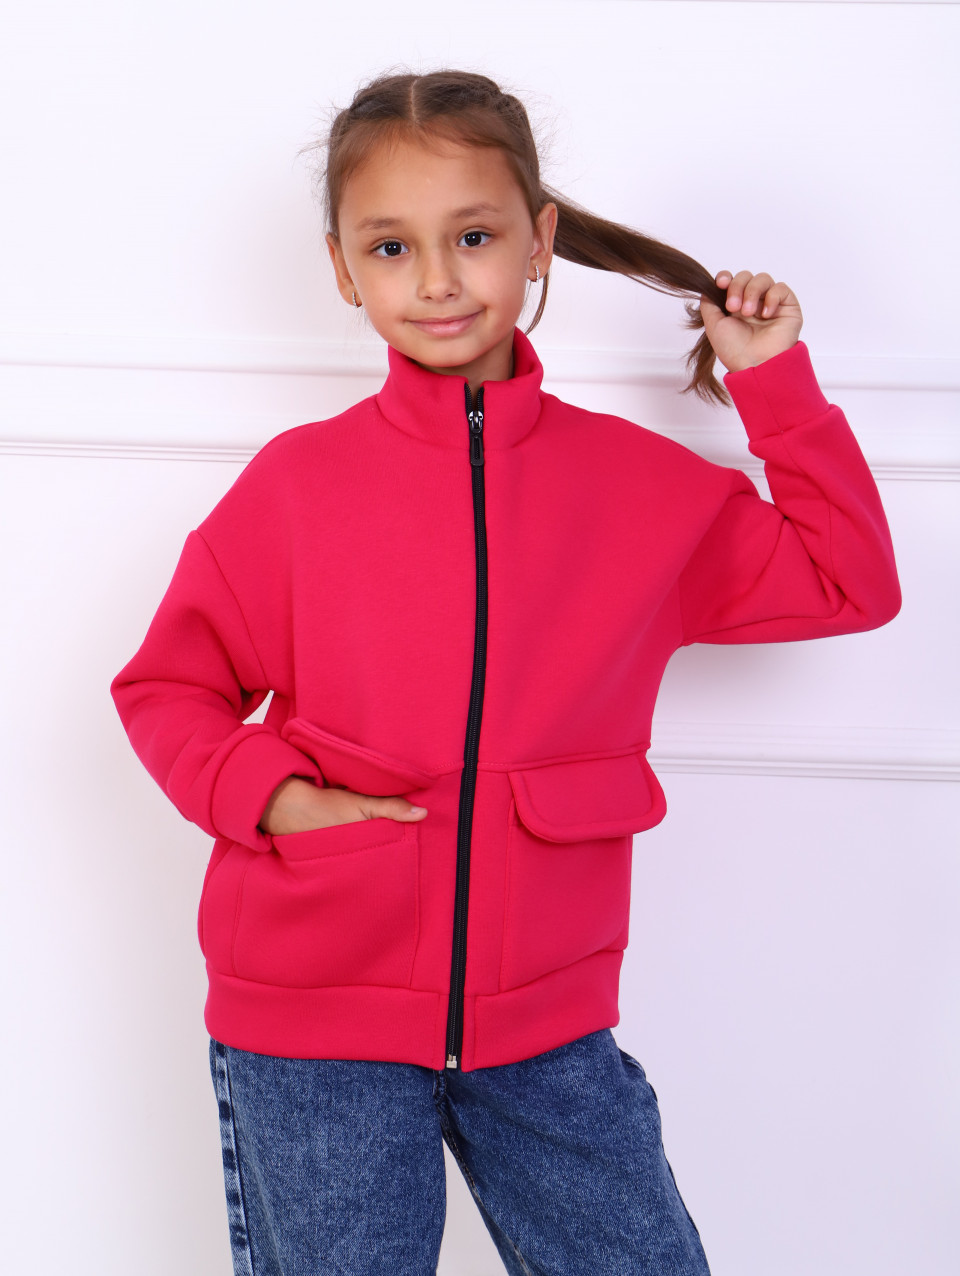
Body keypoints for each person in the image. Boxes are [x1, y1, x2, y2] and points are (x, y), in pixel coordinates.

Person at [111, 69, 901, 1276]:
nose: (436, 280)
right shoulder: (297, 488)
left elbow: (849, 581)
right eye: (391, 247)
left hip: (547, 1022)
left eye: (473, 237)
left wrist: (770, 380)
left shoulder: (641, 491)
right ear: (343, 270)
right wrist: (274, 797)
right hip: (314, 1016)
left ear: (538, 241)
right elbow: (168, 686)